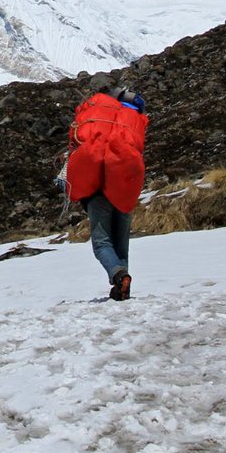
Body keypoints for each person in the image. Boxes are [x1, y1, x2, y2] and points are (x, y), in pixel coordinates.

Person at [66, 86, 148, 300]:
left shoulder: (96, 118)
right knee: (121, 242)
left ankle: (119, 276)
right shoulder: (132, 120)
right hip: (125, 185)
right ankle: (123, 285)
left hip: (97, 188)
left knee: (102, 242)